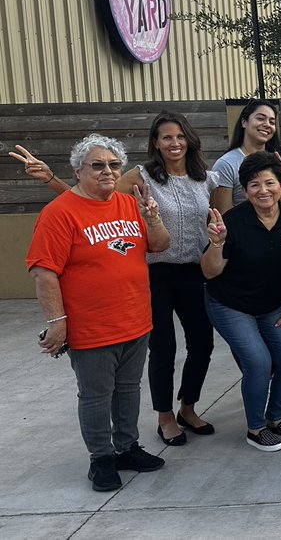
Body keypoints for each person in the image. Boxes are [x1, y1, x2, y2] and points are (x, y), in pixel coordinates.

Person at [13, 112, 220, 446]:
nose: (174, 143)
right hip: (154, 272)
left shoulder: (205, 179)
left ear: (190, 139)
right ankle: (165, 417)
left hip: (191, 271)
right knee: (163, 347)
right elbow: (91, 199)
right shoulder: (141, 177)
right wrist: (52, 179)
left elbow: (218, 225)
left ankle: (188, 407)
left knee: (202, 343)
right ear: (155, 142)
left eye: (180, 136)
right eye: (166, 137)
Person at [26, 134, 170, 491]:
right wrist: (57, 323)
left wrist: (152, 218)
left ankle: (126, 447)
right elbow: (44, 271)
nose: (108, 171)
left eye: (114, 165)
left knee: (129, 389)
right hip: (92, 327)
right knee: (95, 396)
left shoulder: (127, 203)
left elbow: (160, 245)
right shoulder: (59, 212)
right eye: (98, 165)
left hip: (136, 320)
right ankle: (101, 459)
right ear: (78, 171)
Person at [202, 152, 281, 452]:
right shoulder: (232, 222)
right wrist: (217, 243)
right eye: (253, 185)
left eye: (269, 182)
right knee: (258, 362)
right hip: (230, 304)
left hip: (273, 304)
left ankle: (275, 419)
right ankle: (256, 428)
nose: (263, 190)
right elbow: (210, 272)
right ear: (244, 189)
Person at [212, 101, 281, 212]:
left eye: (272, 122)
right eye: (260, 118)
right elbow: (222, 216)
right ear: (244, 122)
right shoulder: (226, 164)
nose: (267, 124)